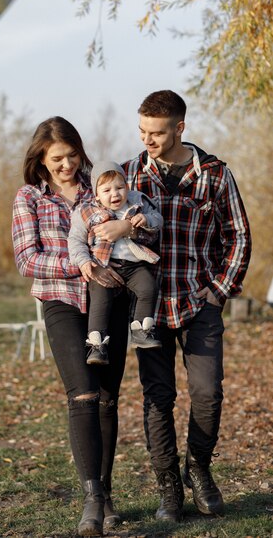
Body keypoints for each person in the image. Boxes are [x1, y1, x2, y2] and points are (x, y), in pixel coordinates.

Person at [94, 90, 251, 522]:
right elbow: (92, 226)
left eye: (157, 132)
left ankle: (198, 469)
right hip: (146, 308)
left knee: (207, 392)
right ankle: (168, 486)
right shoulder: (124, 176)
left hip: (199, 302)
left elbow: (237, 235)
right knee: (157, 398)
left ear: (179, 128)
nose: (147, 139)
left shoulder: (214, 174)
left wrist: (220, 289)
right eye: (142, 131)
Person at [12, 117, 130, 536]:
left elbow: (130, 234)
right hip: (60, 302)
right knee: (81, 393)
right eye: (57, 159)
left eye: (72, 155)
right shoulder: (29, 198)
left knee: (106, 398)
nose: (66, 165)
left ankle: (108, 493)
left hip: (108, 302)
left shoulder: (100, 189)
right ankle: (92, 499)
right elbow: (27, 259)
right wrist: (80, 264)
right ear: (41, 160)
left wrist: (125, 229)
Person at [68, 160, 163, 366]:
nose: (115, 194)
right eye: (107, 190)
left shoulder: (138, 203)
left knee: (149, 287)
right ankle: (96, 346)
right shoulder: (87, 211)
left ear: (127, 187)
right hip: (102, 265)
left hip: (135, 264)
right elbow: (75, 240)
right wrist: (84, 262)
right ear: (97, 195)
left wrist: (146, 220)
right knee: (100, 302)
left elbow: (158, 219)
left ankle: (141, 329)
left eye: (120, 187)